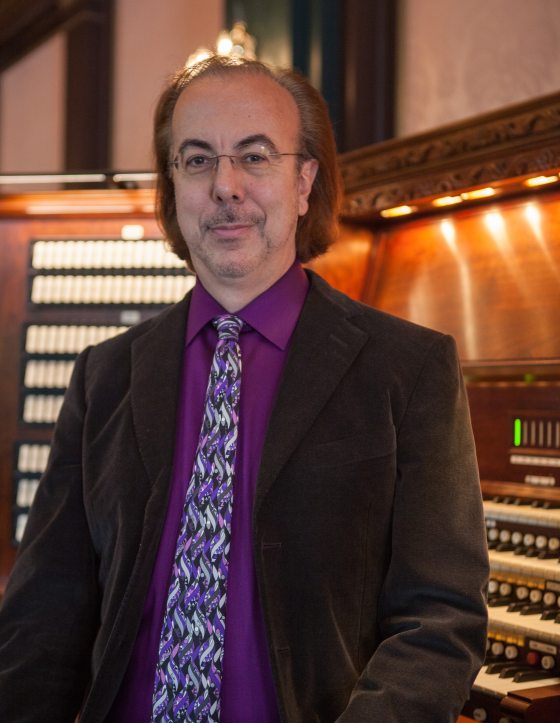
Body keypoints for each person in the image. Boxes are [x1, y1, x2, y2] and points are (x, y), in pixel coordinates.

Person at [0, 54, 488, 722]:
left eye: (254, 156)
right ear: (173, 186)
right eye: (197, 160)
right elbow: (42, 616)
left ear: (304, 180)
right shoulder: (104, 376)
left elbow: (440, 617)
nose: (226, 185)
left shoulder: (409, 369)